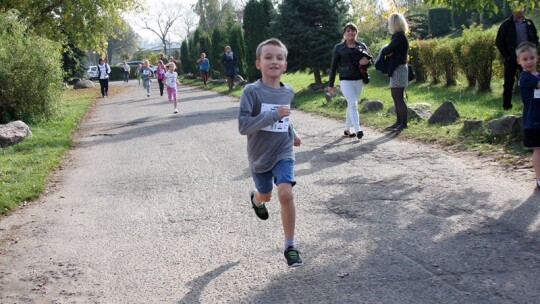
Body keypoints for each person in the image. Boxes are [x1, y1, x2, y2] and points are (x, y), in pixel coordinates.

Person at [238, 38, 303, 267]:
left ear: (285, 64)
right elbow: (243, 126)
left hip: (283, 149)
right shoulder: (251, 92)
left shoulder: (288, 91)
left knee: (285, 193)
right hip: (259, 156)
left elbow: (285, 117)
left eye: (279, 57)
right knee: (266, 194)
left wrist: (292, 132)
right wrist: (274, 115)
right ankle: (256, 198)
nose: (274, 61)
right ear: (258, 63)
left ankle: (290, 246)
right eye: (268, 57)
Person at [328, 22, 371, 139]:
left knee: (352, 105)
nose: (350, 33)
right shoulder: (338, 48)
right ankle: (358, 129)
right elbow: (333, 66)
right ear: (344, 34)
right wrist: (330, 84)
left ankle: (347, 129)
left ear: (356, 33)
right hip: (345, 80)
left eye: (353, 30)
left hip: (359, 80)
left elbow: (369, 60)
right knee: (353, 104)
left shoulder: (361, 45)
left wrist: (367, 62)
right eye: (348, 31)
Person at [496, 8, 539, 110]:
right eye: (517, 9)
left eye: (521, 9)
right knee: (508, 83)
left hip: (527, 58)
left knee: (533, 80)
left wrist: (533, 51)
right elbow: (499, 42)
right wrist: (507, 56)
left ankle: (532, 104)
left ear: (524, 10)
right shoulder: (506, 24)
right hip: (512, 58)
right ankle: (507, 106)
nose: (519, 11)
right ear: (512, 11)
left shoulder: (529, 23)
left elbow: (535, 38)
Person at [516, 41, 540, 190]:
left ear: (537, 57)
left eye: (531, 57)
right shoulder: (525, 77)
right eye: (525, 59)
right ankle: (539, 178)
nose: (529, 61)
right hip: (534, 120)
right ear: (519, 61)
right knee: (538, 149)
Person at [381, 12, 410, 132]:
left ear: (394, 23)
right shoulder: (400, 37)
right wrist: (389, 52)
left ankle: (402, 124)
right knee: (396, 96)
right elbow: (389, 51)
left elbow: (385, 50)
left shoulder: (398, 37)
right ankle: (398, 123)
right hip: (399, 68)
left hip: (399, 69)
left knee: (398, 97)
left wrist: (388, 52)